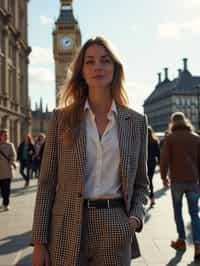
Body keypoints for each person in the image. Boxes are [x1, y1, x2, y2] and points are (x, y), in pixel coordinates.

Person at [31, 36, 149, 266]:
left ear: (115, 68)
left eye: (105, 61)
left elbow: (141, 185)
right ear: (81, 71)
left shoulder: (136, 122)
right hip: (67, 224)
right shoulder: (62, 119)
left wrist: (135, 218)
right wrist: (39, 242)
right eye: (90, 61)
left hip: (115, 223)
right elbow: (46, 183)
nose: (98, 67)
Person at [160, 112, 200, 261]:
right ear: (185, 121)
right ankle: (198, 244)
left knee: (178, 211)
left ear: (172, 123)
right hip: (193, 181)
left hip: (177, 180)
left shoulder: (170, 138)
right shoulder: (196, 138)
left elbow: (164, 160)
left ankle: (181, 241)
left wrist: (164, 177)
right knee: (194, 213)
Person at [0, 129, 16, 211]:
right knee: (2, 189)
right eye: (4, 135)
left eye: (7, 135)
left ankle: (6, 204)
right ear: (0, 136)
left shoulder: (10, 145)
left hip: (7, 170)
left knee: (6, 189)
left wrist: (11, 161)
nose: (6, 137)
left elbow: (13, 155)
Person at [147, 126, 160, 207]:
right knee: (150, 180)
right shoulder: (154, 141)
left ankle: (146, 198)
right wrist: (159, 163)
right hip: (152, 163)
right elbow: (158, 153)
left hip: (143, 164)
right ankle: (152, 199)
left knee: (143, 181)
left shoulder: (141, 140)